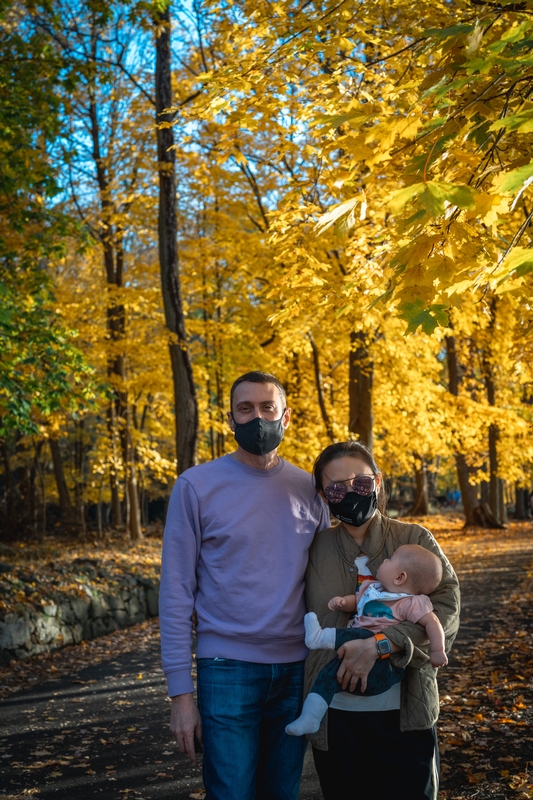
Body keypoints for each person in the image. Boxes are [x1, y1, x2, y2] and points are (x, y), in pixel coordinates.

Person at [159, 371, 330, 800]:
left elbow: (333, 577)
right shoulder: (195, 487)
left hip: (296, 671)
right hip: (226, 667)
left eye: (267, 407)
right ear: (230, 420)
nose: (257, 417)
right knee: (231, 793)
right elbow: (175, 593)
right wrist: (181, 695)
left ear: (286, 417)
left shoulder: (311, 489)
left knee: (282, 793)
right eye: (245, 409)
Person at [305, 441, 460, 800]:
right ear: (322, 495)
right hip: (335, 717)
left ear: (377, 481)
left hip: (405, 714)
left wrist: (380, 645)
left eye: (360, 483)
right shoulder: (314, 549)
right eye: (336, 488)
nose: (350, 493)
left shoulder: (414, 539)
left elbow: (446, 612)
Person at [285, 544, 447, 736]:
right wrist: (343, 602)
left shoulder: (409, 602)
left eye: (390, 559)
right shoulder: (372, 589)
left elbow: (432, 622)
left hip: (384, 668)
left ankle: (319, 637)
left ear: (400, 577)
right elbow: (357, 602)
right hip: (352, 662)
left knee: (363, 636)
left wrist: (437, 651)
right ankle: (311, 717)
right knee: (328, 674)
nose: (385, 560)